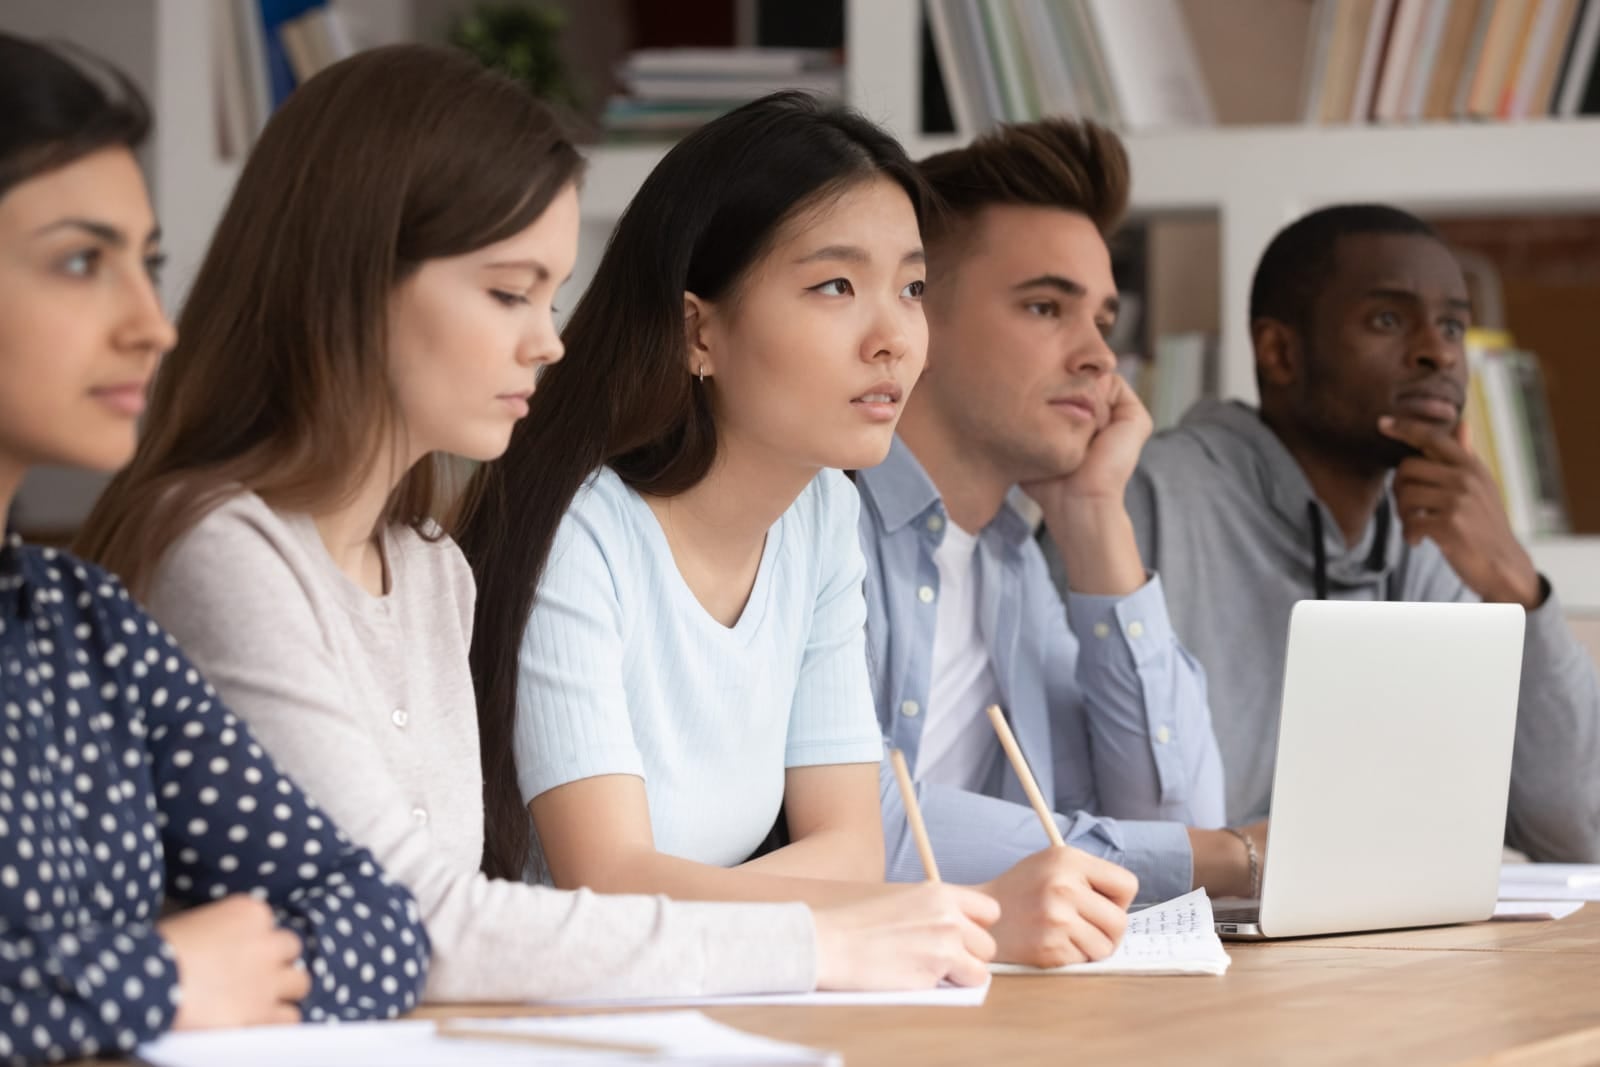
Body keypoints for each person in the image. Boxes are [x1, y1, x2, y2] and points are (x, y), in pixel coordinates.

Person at [79, 51, 992, 1000]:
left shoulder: (427, 568)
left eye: (550, 296)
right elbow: (417, 919)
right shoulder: (227, 551)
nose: (548, 340)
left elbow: (441, 918)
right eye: (509, 292)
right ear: (357, 281)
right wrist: (820, 942)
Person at [459, 92, 1018, 966]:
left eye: (911, 288)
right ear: (697, 331)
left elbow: (853, 850)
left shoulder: (823, 511)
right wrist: (862, 919)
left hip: (729, 989)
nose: (893, 339)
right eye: (835, 285)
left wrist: (862, 911)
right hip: (566, 1010)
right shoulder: (583, 531)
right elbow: (604, 882)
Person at [0, 33, 429, 1062]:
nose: (153, 324)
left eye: (143, 265)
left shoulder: (84, 627)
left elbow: (377, 920)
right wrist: (159, 975)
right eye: (77, 262)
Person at [858, 117, 1261, 943]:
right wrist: (1222, 856)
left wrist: (1092, 516)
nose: (1100, 359)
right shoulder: (812, 524)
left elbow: (1164, 815)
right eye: (1047, 307)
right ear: (915, 319)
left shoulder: (1014, 563)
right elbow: (843, 827)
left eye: (1105, 323)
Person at [1105, 203, 1600, 861]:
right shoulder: (1149, 498)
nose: (1438, 351)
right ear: (1279, 351)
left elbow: (1576, 833)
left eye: (1453, 324)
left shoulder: (1437, 532)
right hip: (1204, 942)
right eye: (1388, 319)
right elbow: (1115, 815)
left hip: (1380, 939)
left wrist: (1519, 588)